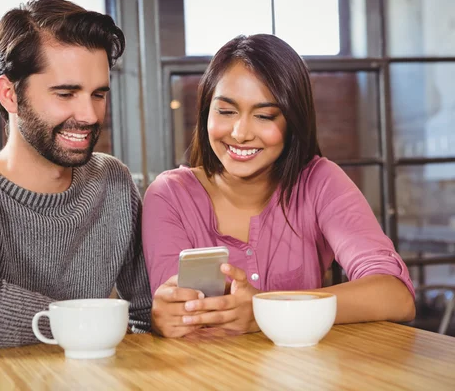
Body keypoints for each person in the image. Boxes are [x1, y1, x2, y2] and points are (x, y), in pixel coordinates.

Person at [0, 0, 151, 390]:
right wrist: (98, 324)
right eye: (66, 93)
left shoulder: (114, 182)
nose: (89, 114)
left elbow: (149, 314)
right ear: (9, 95)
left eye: (98, 94)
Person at [143, 34, 415, 338]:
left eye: (264, 115)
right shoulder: (169, 196)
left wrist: (264, 308)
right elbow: (181, 322)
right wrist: (165, 317)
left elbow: (395, 296)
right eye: (226, 111)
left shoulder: (319, 182)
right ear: (206, 111)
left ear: (293, 121)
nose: (240, 133)